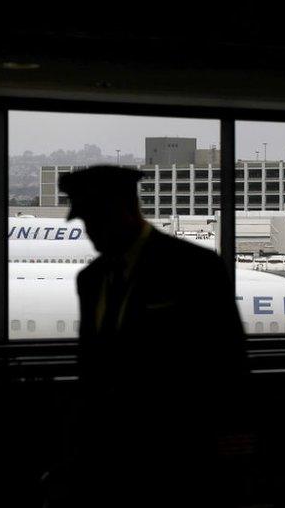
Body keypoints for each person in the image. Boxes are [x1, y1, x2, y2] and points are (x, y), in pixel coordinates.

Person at [48, 165, 247, 506]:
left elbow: (229, 359)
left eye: (96, 219)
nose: (90, 232)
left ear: (124, 211)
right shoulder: (91, 280)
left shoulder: (194, 267)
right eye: (85, 222)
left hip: (178, 450)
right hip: (110, 455)